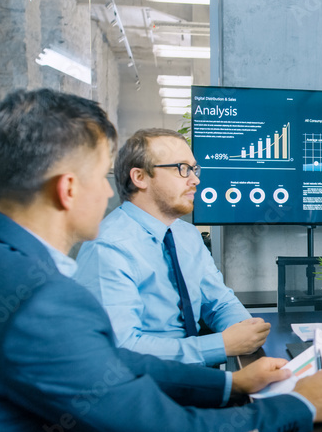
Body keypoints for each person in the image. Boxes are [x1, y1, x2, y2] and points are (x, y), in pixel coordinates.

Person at [0, 89, 322, 432]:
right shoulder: (45, 301)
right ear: (67, 189)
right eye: (103, 178)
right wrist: (301, 407)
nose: (108, 196)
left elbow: (111, 361)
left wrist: (230, 385)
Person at [74, 128, 267, 366]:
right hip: (146, 386)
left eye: (194, 169)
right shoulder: (107, 248)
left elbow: (219, 302)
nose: (195, 179)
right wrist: (223, 345)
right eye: (182, 168)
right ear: (140, 177)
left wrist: (246, 330)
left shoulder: (186, 235)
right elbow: (122, 347)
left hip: (196, 379)